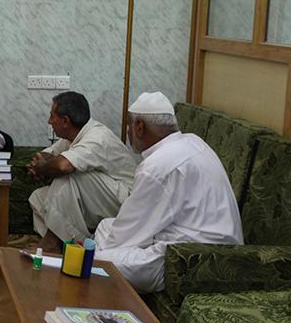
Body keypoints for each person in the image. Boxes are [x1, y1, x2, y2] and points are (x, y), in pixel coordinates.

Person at [93, 92, 243, 293]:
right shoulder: (194, 141)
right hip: (209, 244)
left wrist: (98, 250)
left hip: (192, 259)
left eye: (128, 125)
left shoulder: (157, 166)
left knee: (98, 260)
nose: (127, 132)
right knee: (105, 225)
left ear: (139, 126)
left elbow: (126, 234)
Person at [28, 91, 137, 250]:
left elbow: (63, 165)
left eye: (52, 116)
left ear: (65, 121)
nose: (49, 121)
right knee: (38, 197)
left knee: (69, 175)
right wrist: (40, 163)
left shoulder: (97, 137)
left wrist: (42, 168)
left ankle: (52, 243)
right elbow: (48, 154)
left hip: (125, 202)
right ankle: (68, 245)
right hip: (101, 198)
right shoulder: (73, 135)